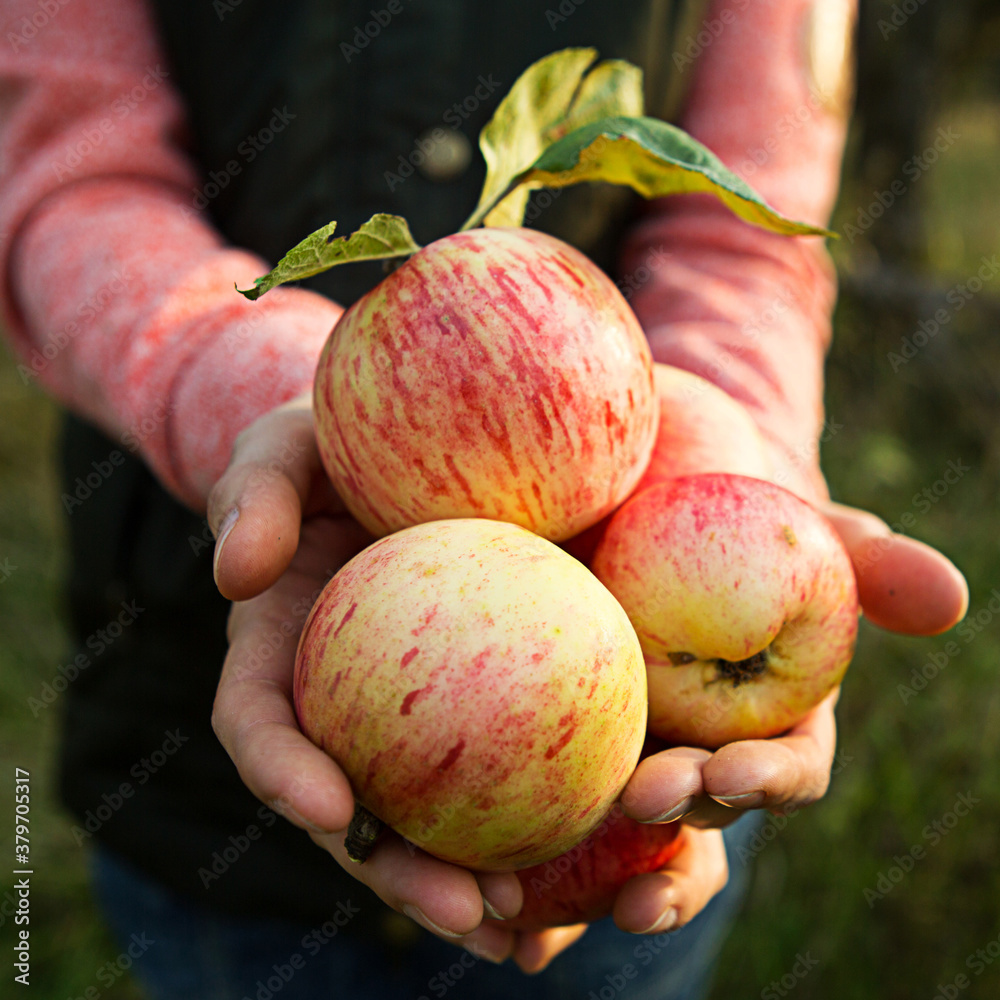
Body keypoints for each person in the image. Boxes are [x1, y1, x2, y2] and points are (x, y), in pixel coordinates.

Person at [0, 0, 968, 996]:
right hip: (194, 745)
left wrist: (739, 455)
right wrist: (256, 383)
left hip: (623, 799)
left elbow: (740, 234)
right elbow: (67, 181)